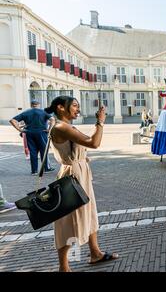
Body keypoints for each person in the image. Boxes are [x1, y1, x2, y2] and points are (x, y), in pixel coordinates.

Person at [45, 96, 118, 272]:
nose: (78, 109)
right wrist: (100, 122)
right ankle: (64, 267)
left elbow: (76, 148)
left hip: (81, 173)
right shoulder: (61, 126)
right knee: (67, 221)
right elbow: (94, 142)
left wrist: (82, 158)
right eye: (75, 106)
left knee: (89, 213)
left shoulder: (64, 126)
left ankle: (95, 253)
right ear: (61, 108)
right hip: (73, 176)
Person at [9, 100, 55, 175]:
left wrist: (19, 129)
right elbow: (53, 120)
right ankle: (46, 168)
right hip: (42, 133)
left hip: (29, 133)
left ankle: (34, 171)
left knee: (33, 152)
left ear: (31, 105)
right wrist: (49, 129)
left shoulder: (26, 112)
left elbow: (12, 120)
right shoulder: (43, 112)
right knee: (44, 150)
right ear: (38, 104)